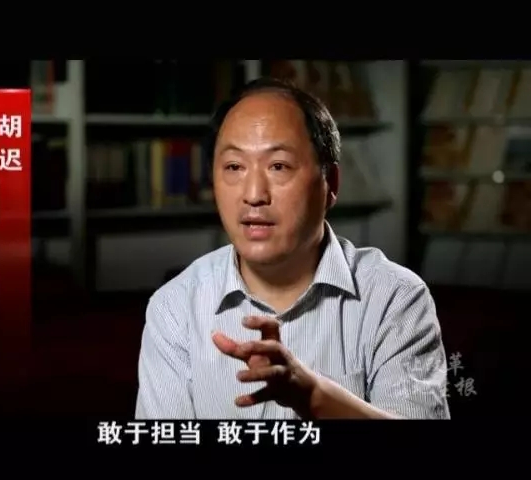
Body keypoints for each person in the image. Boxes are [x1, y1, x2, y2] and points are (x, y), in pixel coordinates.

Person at [135, 78, 450, 420]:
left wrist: (315, 398)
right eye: (234, 167)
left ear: (331, 184)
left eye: (279, 166)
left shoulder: (394, 298)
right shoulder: (176, 307)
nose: (254, 194)